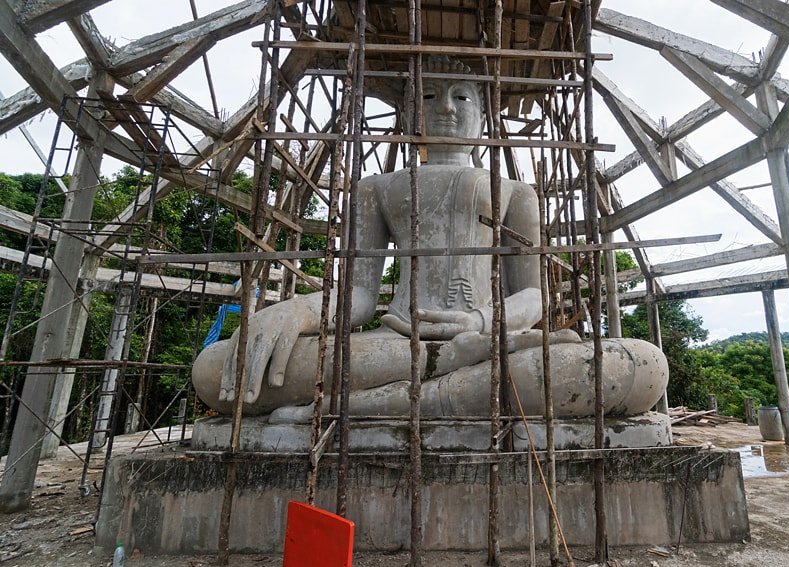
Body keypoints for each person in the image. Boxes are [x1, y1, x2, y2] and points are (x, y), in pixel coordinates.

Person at [192, 57, 667, 422]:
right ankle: (453, 384)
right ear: (409, 111)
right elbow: (358, 296)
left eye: (461, 97)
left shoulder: (517, 192)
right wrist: (297, 311)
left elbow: (534, 295)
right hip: (396, 345)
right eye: (431, 95)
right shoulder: (376, 188)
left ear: (483, 115)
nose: (445, 108)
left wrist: (484, 323)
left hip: (486, 337)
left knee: (645, 365)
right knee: (215, 369)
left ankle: (389, 401)